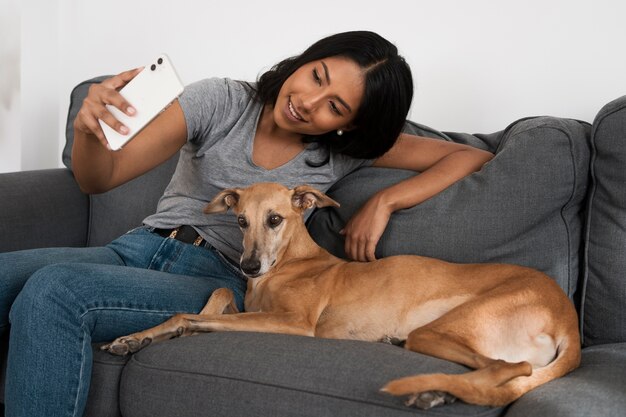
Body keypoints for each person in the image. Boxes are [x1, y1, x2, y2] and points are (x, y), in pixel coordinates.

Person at [0, 31, 493, 416]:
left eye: (335, 107)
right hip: (133, 250)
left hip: (215, 277)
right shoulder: (222, 101)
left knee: (55, 290)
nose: (309, 102)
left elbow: (468, 156)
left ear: (349, 125)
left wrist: (386, 201)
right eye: (317, 77)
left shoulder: (339, 155)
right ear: (305, 60)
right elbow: (96, 180)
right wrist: (90, 132)